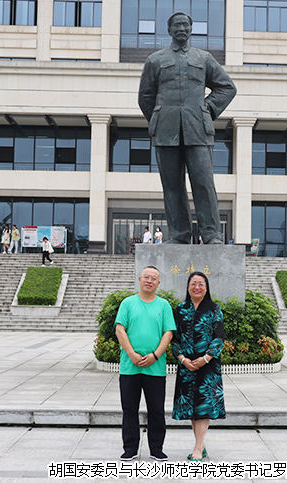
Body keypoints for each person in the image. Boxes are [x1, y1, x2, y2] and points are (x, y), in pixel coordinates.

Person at [138, 12, 236, 245]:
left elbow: (227, 87)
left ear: (191, 30)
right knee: (172, 186)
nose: (181, 28)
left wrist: (207, 109)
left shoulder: (204, 58)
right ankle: (179, 235)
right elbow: (145, 97)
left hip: (197, 130)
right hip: (166, 132)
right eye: (177, 25)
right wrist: (159, 119)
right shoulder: (155, 60)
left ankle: (211, 235)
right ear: (169, 30)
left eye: (185, 25)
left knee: (204, 183)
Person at [115, 266, 176, 462]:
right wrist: (131, 354)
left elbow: (168, 333)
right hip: (129, 367)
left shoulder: (164, 305)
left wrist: (155, 355)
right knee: (129, 409)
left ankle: (156, 449)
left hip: (155, 368)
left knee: (156, 410)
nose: (149, 280)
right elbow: (120, 330)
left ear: (159, 283)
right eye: (146, 277)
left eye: (154, 278)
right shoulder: (128, 303)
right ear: (140, 279)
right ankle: (130, 448)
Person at [171, 271, 225, 462]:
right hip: (186, 365)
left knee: (203, 406)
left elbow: (219, 337)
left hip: (208, 366)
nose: (197, 287)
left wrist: (206, 358)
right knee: (193, 407)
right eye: (193, 283)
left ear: (206, 287)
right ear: (188, 287)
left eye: (201, 284)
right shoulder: (180, 309)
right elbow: (174, 338)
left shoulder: (214, 309)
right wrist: (182, 359)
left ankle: (197, 448)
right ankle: (200, 445)